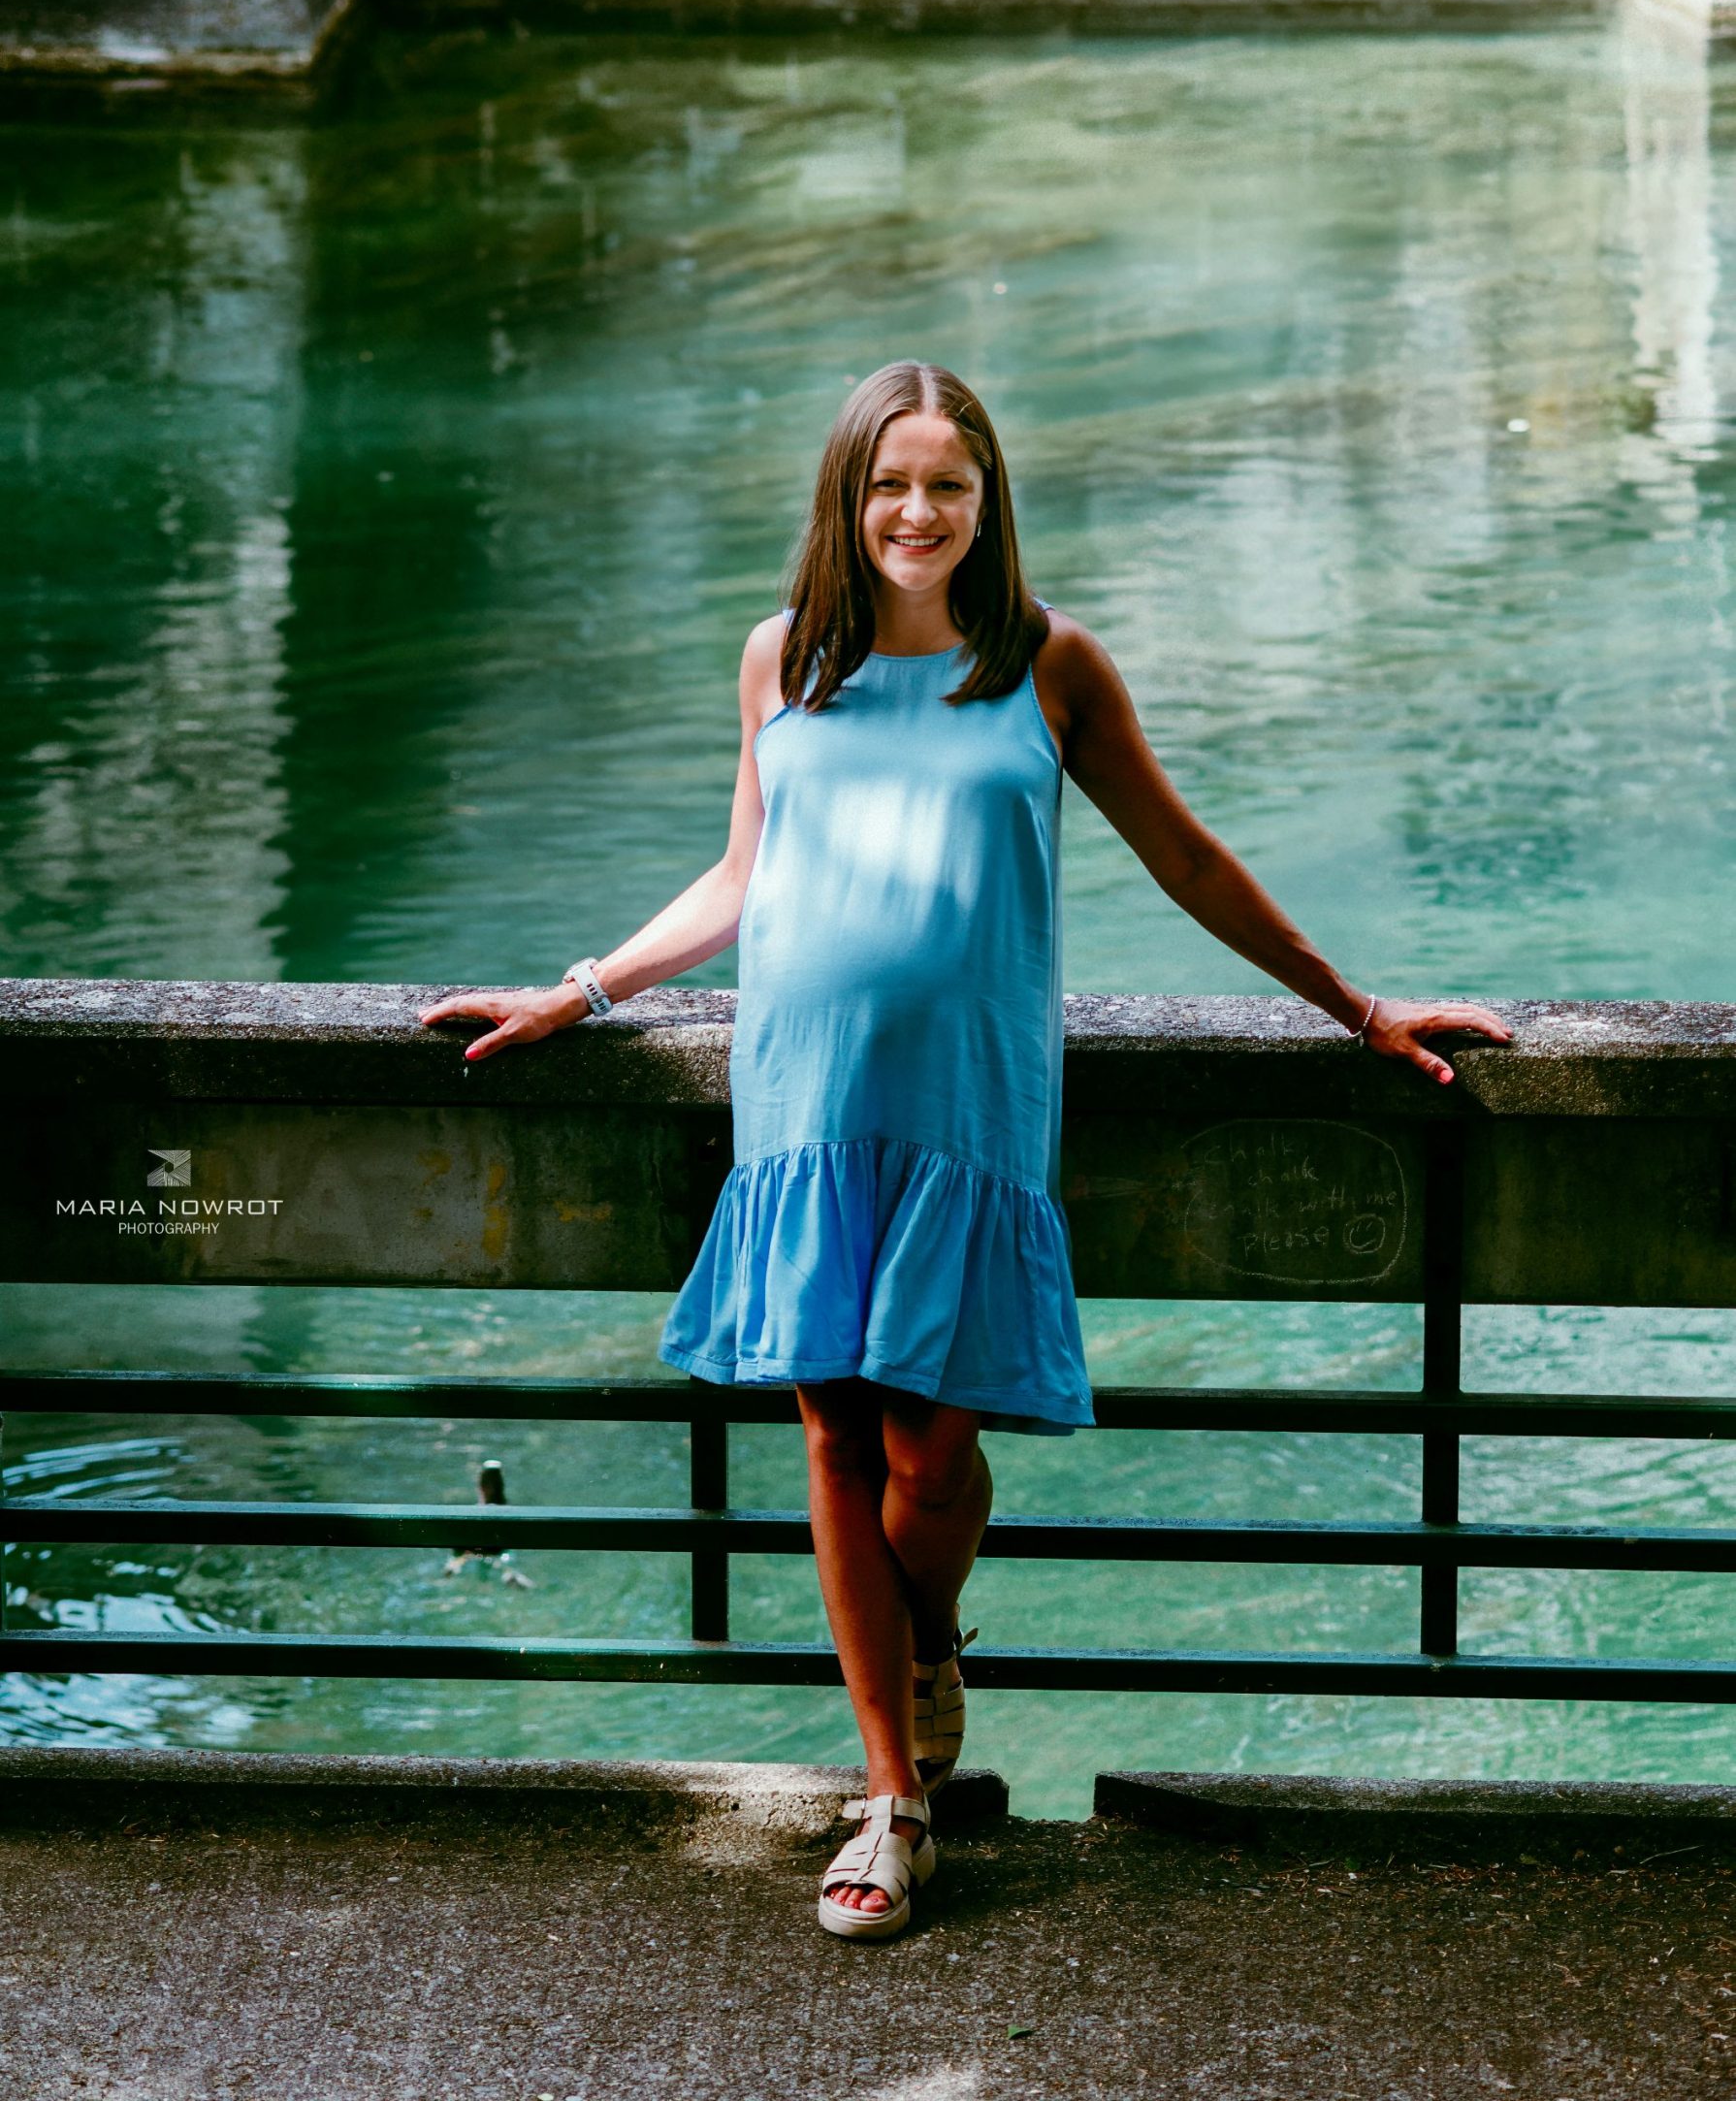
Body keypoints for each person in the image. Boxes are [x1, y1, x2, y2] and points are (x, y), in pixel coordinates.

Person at [418, 360, 1513, 1944]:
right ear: (846, 499)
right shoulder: (783, 656)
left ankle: (926, 1640)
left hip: (971, 1114)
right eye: (889, 485)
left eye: (946, 485)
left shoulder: (1047, 664)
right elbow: (739, 875)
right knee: (834, 1444)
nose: (916, 513)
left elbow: (1184, 854)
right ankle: (892, 1797)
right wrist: (578, 992)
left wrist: (1356, 1006)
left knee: (929, 1460)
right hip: (805, 1102)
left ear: (987, 501)